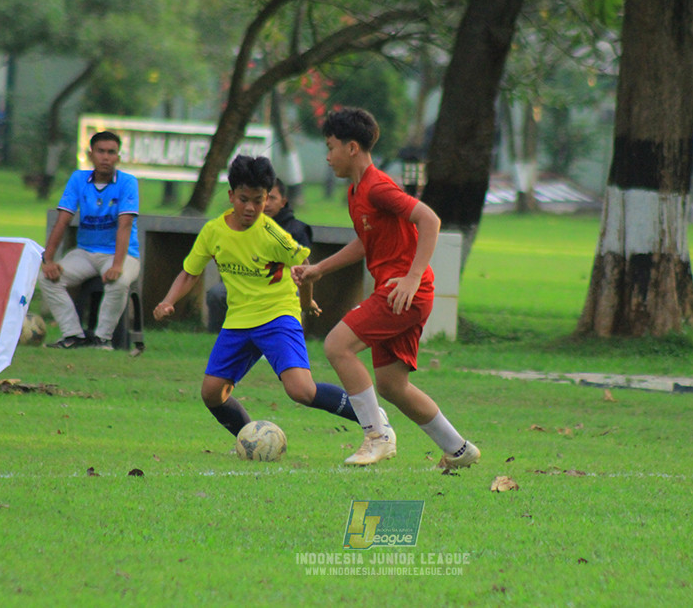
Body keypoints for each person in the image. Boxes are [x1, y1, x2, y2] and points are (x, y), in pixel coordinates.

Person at [292, 107, 480, 468]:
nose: (327, 156)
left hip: (404, 293)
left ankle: (377, 436)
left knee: (337, 345)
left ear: (351, 147)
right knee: (392, 385)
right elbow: (366, 243)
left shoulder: (378, 187)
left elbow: (429, 219)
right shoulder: (356, 193)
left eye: (330, 147)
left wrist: (412, 276)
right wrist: (320, 268)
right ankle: (459, 450)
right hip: (399, 294)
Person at [153, 154, 379, 441]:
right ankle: (250, 440)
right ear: (231, 195)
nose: (250, 208)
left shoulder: (274, 235)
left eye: (259, 200)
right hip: (238, 321)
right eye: (244, 199)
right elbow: (189, 273)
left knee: (302, 390)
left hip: (277, 316)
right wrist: (168, 301)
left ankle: (372, 419)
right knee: (212, 393)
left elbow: (305, 269)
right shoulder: (213, 231)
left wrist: (305, 302)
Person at [39, 131, 140, 350]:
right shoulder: (78, 179)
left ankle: (101, 339)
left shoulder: (128, 182)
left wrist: (117, 265)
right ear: (90, 154)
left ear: (118, 157)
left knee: (119, 281)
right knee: (47, 279)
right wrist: (48, 259)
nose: (106, 157)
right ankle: (73, 335)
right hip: (85, 252)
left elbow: (125, 225)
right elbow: (62, 221)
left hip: (121, 254)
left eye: (111, 152)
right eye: (101, 151)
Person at [205, 177, 315, 332]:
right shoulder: (241, 225)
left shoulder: (296, 230)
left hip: (281, 285)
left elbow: (302, 266)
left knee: (292, 296)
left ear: (283, 202)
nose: (266, 204)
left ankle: (286, 337)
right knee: (217, 294)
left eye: (272, 198)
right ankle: (219, 337)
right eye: (262, 199)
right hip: (244, 281)